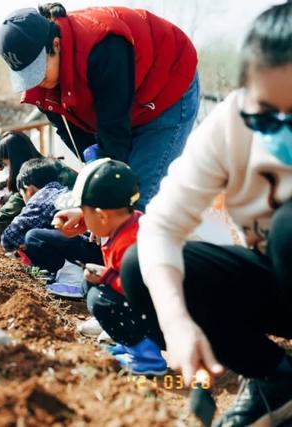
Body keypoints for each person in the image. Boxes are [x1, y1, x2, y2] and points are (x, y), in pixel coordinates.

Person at [119, 3, 292, 426]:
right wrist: (177, 322)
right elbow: (161, 226)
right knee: (142, 264)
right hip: (278, 279)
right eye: (267, 116)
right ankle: (275, 377)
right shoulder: (231, 125)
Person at [0, 3, 199, 210]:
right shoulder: (42, 88)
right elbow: (72, 132)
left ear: (55, 45)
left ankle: (138, 239)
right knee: (106, 198)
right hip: (121, 106)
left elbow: (114, 131)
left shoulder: (102, 47)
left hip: (165, 87)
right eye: (28, 76)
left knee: (135, 200)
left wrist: (104, 187)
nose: (37, 82)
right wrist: (93, 168)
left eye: (39, 72)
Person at [53, 158, 167, 375]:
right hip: (150, 310)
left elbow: (143, 288)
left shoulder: (131, 243)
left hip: (160, 317)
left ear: (102, 215)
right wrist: (86, 221)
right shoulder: (130, 221)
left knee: (100, 299)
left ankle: (147, 356)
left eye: (84, 211)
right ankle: (131, 344)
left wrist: (106, 277)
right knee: (90, 285)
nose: (83, 217)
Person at [1, 158, 68, 252]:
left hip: (88, 247)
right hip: (91, 236)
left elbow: (8, 239)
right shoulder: (64, 191)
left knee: (33, 237)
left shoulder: (41, 199)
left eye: (22, 195)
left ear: (29, 190)